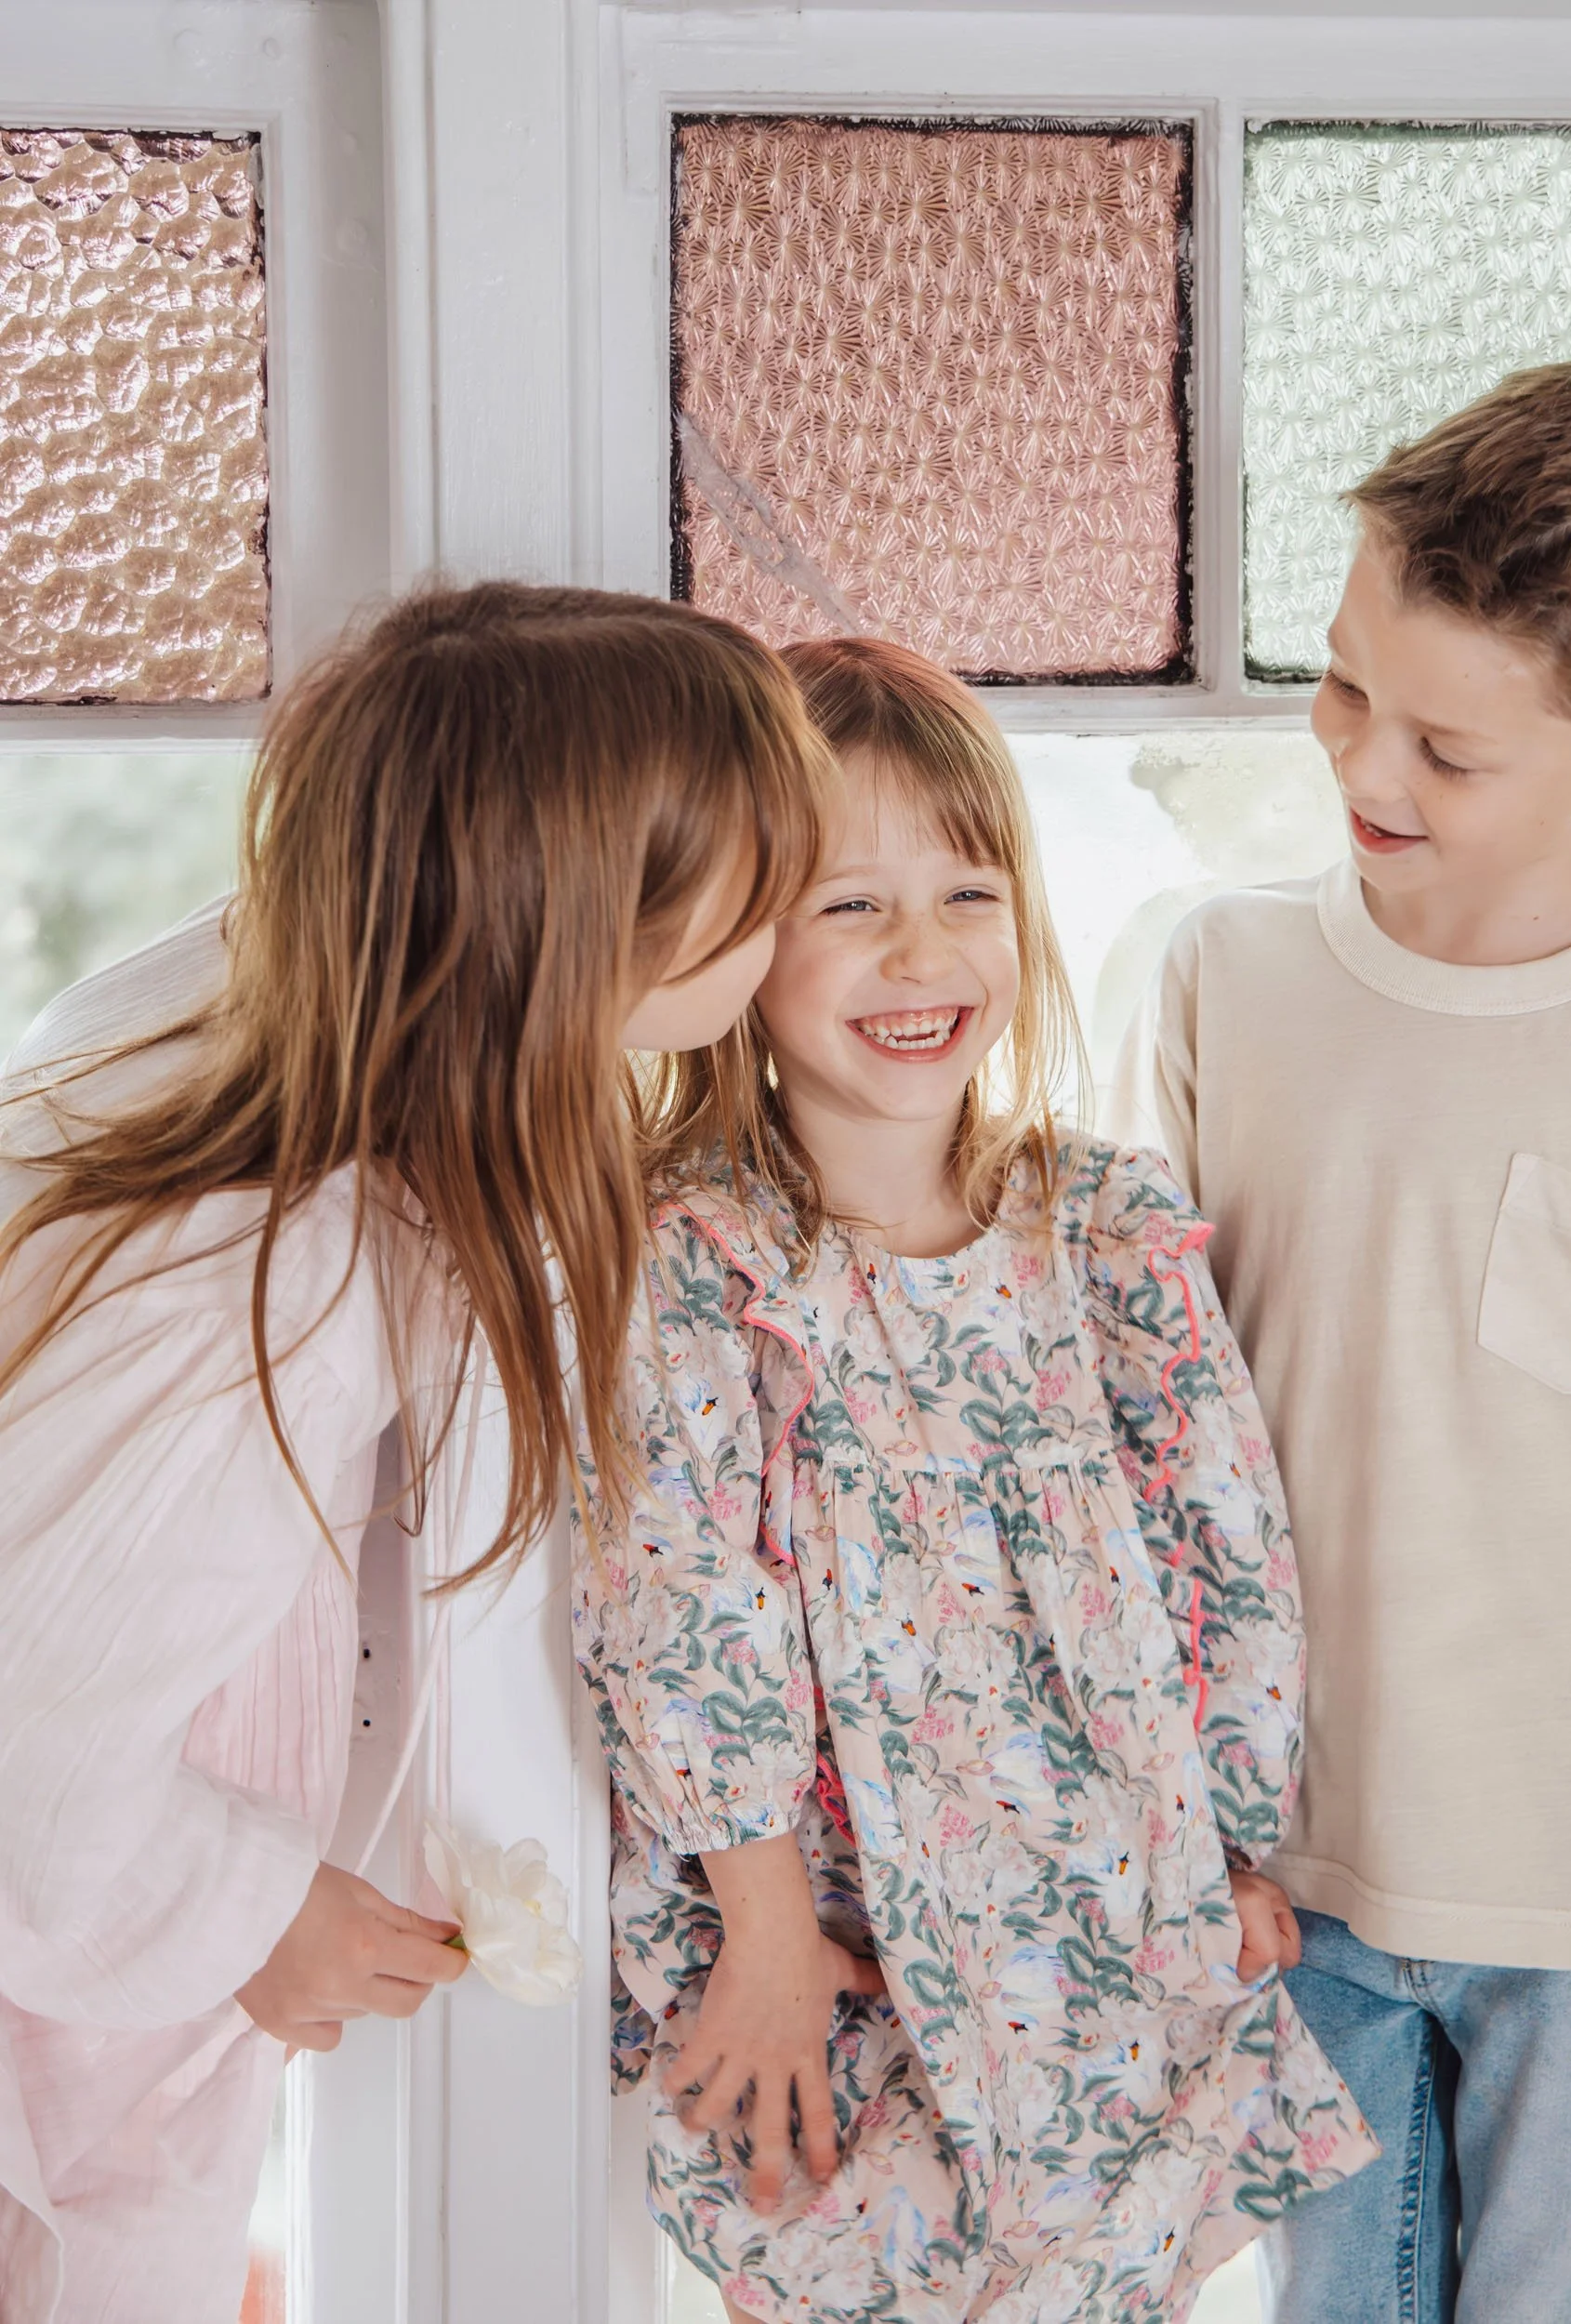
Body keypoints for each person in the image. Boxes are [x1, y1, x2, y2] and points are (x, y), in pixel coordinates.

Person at [0, 582, 834, 2324]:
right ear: (601, 943)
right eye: (769, 898)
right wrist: (254, 1917)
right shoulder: (277, 1270)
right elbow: (33, 1764)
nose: (799, 937)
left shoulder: (255, 1039)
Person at [1117, 364, 1571, 2322]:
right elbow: (1145, 1420)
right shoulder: (1225, 978)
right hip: (1296, 1857)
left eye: (1444, 744)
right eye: (1346, 687)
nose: (1363, 767)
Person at [574, 637, 1376, 2324]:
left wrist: (1227, 1842)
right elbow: (685, 1611)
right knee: (835, 2265)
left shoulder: (1104, 1224)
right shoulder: (700, 1255)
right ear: (730, 944)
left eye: (966, 891)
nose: (920, 952)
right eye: (849, 906)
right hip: (822, 1936)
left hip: (1101, 1911)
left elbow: (1229, 1554)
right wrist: (770, 1932)